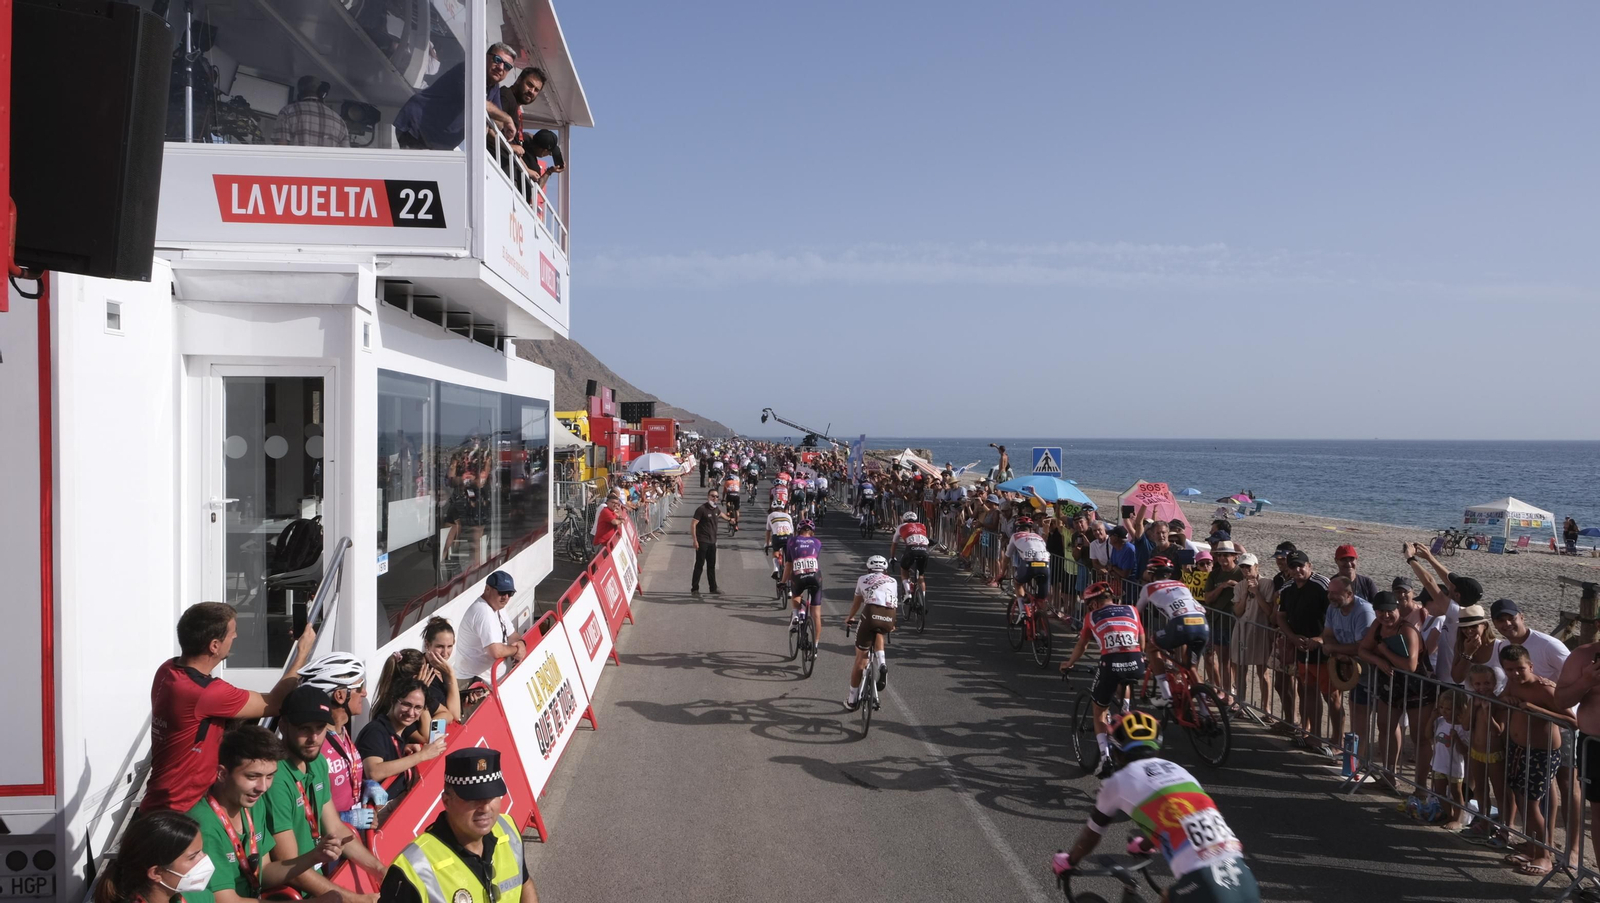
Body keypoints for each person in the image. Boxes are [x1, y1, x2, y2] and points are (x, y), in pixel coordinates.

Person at [1049, 712, 1260, 902]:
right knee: (1169, 895)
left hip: (1205, 883)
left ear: (1117, 751)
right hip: (1244, 878)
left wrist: (1070, 860)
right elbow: (1179, 817)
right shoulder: (1181, 772)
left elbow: (1091, 835)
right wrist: (1144, 845)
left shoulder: (1117, 781)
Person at [144, 602, 318, 813]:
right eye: (232, 634)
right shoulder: (205, 692)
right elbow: (275, 703)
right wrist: (302, 652)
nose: (235, 638)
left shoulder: (168, 669)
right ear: (214, 645)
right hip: (180, 809)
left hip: (161, 800)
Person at [185, 726, 344, 903]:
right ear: (222, 774)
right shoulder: (203, 824)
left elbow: (266, 871)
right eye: (253, 777)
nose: (263, 787)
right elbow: (228, 901)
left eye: (270, 776)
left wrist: (314, 856)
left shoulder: (253, 804)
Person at [265, 687, 385, 901]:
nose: (313, 738)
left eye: (320, 728)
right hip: (293, 894)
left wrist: (382, 871)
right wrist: (358, 900)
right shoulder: (275, 778)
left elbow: (336, 828)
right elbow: (292, 868)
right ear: (283, 726)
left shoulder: (318, 762)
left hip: (317, 881)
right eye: (304, 728)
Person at [377, 749, 541, 903]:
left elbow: (524, 883)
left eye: (492, 796)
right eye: (473, 798)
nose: (485, 808)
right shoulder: (411, 869)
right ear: (447, 801)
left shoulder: (507, 828)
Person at [1499, 644, 1572, 878]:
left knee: (1532, 804)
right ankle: (1532, 848)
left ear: (1530, 666)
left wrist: (1535, 709)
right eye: (1509, 669)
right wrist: (1506, 699)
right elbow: (1499, 704)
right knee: (1521, 801)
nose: (1515, 674)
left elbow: (1572, 721)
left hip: (1541, 753)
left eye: (1520, 669)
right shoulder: (1512, 682)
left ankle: (1545, 856)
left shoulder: (1545, 689)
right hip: (1519, 749)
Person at [1060, 582, 1146, 777]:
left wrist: (1069, 663)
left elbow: (1082, 646)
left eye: (1089, 603)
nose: (1089, 607)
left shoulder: (1091, 617)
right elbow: (1141, 636)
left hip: (1111, 663)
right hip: (1136, 661)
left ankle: (1105, 758)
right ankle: (1125, 711)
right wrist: (1140, 656)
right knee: (1125, 679)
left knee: (1099, 709)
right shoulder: (1132, 609)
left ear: (1096, 603)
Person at [297, 654, 386, 828]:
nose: (365, 693)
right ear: (340, 695)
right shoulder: (314, 744)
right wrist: (343, 818)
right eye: (360, 687)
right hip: (329, 846)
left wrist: (365, 784)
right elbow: (299, 813)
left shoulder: (342, 731)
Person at [393, 45, 520, 150]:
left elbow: (498, 122)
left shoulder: (494, 87)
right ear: (486, 57)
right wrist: (507, 118)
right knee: (412, 177)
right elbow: (475, 100)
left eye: (507, 66)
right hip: (417, 128)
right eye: (497, 60)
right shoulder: (469, 70)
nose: (501, 67)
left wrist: (498, 120)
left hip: (437, 142)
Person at [1358, 592, 1422, 788]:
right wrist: (1378, 660)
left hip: (1416, 685)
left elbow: (1410, 665)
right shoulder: (1378, 626)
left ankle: (1420, 787)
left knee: (1420, 736)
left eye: (1389, 611)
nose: (1385, 616)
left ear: (1397, 610)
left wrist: (1384, 652)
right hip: (1390, 681)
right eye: (1380, 612)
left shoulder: (1407, 629)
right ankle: (1389, 774)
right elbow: (1363, 649)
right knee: (1385, 725)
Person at [1135, 558, 1210, 709]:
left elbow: (1137, 613)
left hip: (1182, 624)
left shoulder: (1149, 587)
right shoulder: (1181, 584)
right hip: (1202, 624)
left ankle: (1166, 695)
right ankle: (1204, 711)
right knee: (1192, 668)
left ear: (1152, 573)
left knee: (1152, 647)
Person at [1275, 550, 1332, 746]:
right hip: (1301, 649)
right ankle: (1313, 735)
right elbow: (1280, 616)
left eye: (1301, 565)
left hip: (1324, 651)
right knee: (1307, 691)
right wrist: (1291, 636)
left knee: (1331, 696)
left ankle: (1338, 739)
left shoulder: (1322, 585)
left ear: (1310, 565)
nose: (1297, 569)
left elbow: (1335, 615)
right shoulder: (1287, 587)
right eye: (1293, 566)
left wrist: (1321, 638)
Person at [357, 679, 449, 801]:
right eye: (406, 704)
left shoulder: (400, 732)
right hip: (382, 809)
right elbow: (374, 772)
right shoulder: (375, 731)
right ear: (393, 700)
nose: (411, 712)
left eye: (418, 708)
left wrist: (404, 751)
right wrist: (422, 755)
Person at [91, 809, 207, 903]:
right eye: (192, 857)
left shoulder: (175, 897)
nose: (204, 858)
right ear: (156, 873)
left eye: (201, 851)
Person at [1315, 578, 1375, 756]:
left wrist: (1334, 649)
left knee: (1379, 722)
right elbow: (1327, 635)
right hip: (1350, 669)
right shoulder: (1334, 607)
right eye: (1329, 592)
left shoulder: (1363, 611)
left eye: (1335, 593)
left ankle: (1364, 761)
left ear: (1349, 594)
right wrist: (1339, 653)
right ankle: (1354, 758)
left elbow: (1362, 646)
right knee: (1357, 716)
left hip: (1371, 671)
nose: (1330, 597)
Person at [843, 555, 898, 711]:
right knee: (879, 631)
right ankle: (882, 663)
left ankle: (852, 700)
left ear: (869, 568)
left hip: (871, 612)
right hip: (889, 615)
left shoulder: (863, 579)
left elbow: (857, 603)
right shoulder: (893, 581)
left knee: (860, 659)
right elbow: (894, 602)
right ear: (885, 569)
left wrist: (850, 617)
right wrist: (893, 623)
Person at [455, 571, 524, 685]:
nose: (506, 597)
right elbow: (496, 651)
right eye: (502, 592)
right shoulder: (483, 611)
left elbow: (512, 635)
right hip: (473, 683)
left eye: (510, 593)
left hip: (489, 682)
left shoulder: (498, 607)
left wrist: (521, 643)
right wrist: (517, 650)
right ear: (487, 589)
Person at [1231, 553, 1274, 718]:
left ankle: (1266, 708)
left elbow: (1269, 611)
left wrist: (1257, 592)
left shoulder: (1267, 583)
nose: (1245, 570)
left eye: (1248, 567)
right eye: (1242, 567)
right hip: (1242, 630)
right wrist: (1244, 595)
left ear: (1256, 567)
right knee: (1241, 670)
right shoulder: (1239, 586)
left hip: (1260, 631)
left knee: (1262, 671)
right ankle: (1240, 703)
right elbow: (1237, 611)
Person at [272, 76, 349, 147]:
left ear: (299, 94)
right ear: (321, 92)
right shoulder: (339, 121)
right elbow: (346, 157)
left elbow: (280, 147)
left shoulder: (287, 112)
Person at [785, 520, 824, 650]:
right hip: (815, 577)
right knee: (816, 614)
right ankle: (816, 646)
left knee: (796, 592)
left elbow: (789, 565)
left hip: (799, 576)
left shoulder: (792, 541)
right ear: (812, 532)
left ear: (798, 530)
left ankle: (796, 614)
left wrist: (782, 582)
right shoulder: (817, 542)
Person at [889, 510, 932, 605]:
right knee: (921, 576)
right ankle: (923, 600)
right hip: (924, 550)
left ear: (904, 520)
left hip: (911, 549)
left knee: (904, 570)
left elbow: (894, 543)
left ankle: (908, 593)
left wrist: (892, 557)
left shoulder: (901, 527)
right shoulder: (922, 525)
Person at [690, 489, 725, 594]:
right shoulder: (701, 509)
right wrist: (695, 540)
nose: (714, 498)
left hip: (712, 542)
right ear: (708, 496)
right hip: (702, 541)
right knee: (699, 565)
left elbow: (721, 514)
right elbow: (693, 524)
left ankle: (713, 588)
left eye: (716, 497)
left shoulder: (715, 509)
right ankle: (695, 588)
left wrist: (730, 519)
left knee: (711, 566)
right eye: (712, 496)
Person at [765, 500, 795, 580]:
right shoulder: (788, 516)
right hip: (789, 537)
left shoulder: (770, 515)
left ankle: (776, 568)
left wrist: (767, 544)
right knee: (789, 558)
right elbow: (792, 531)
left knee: (775, 551)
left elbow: (768, 531)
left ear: (772, 507)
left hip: (777, 537)